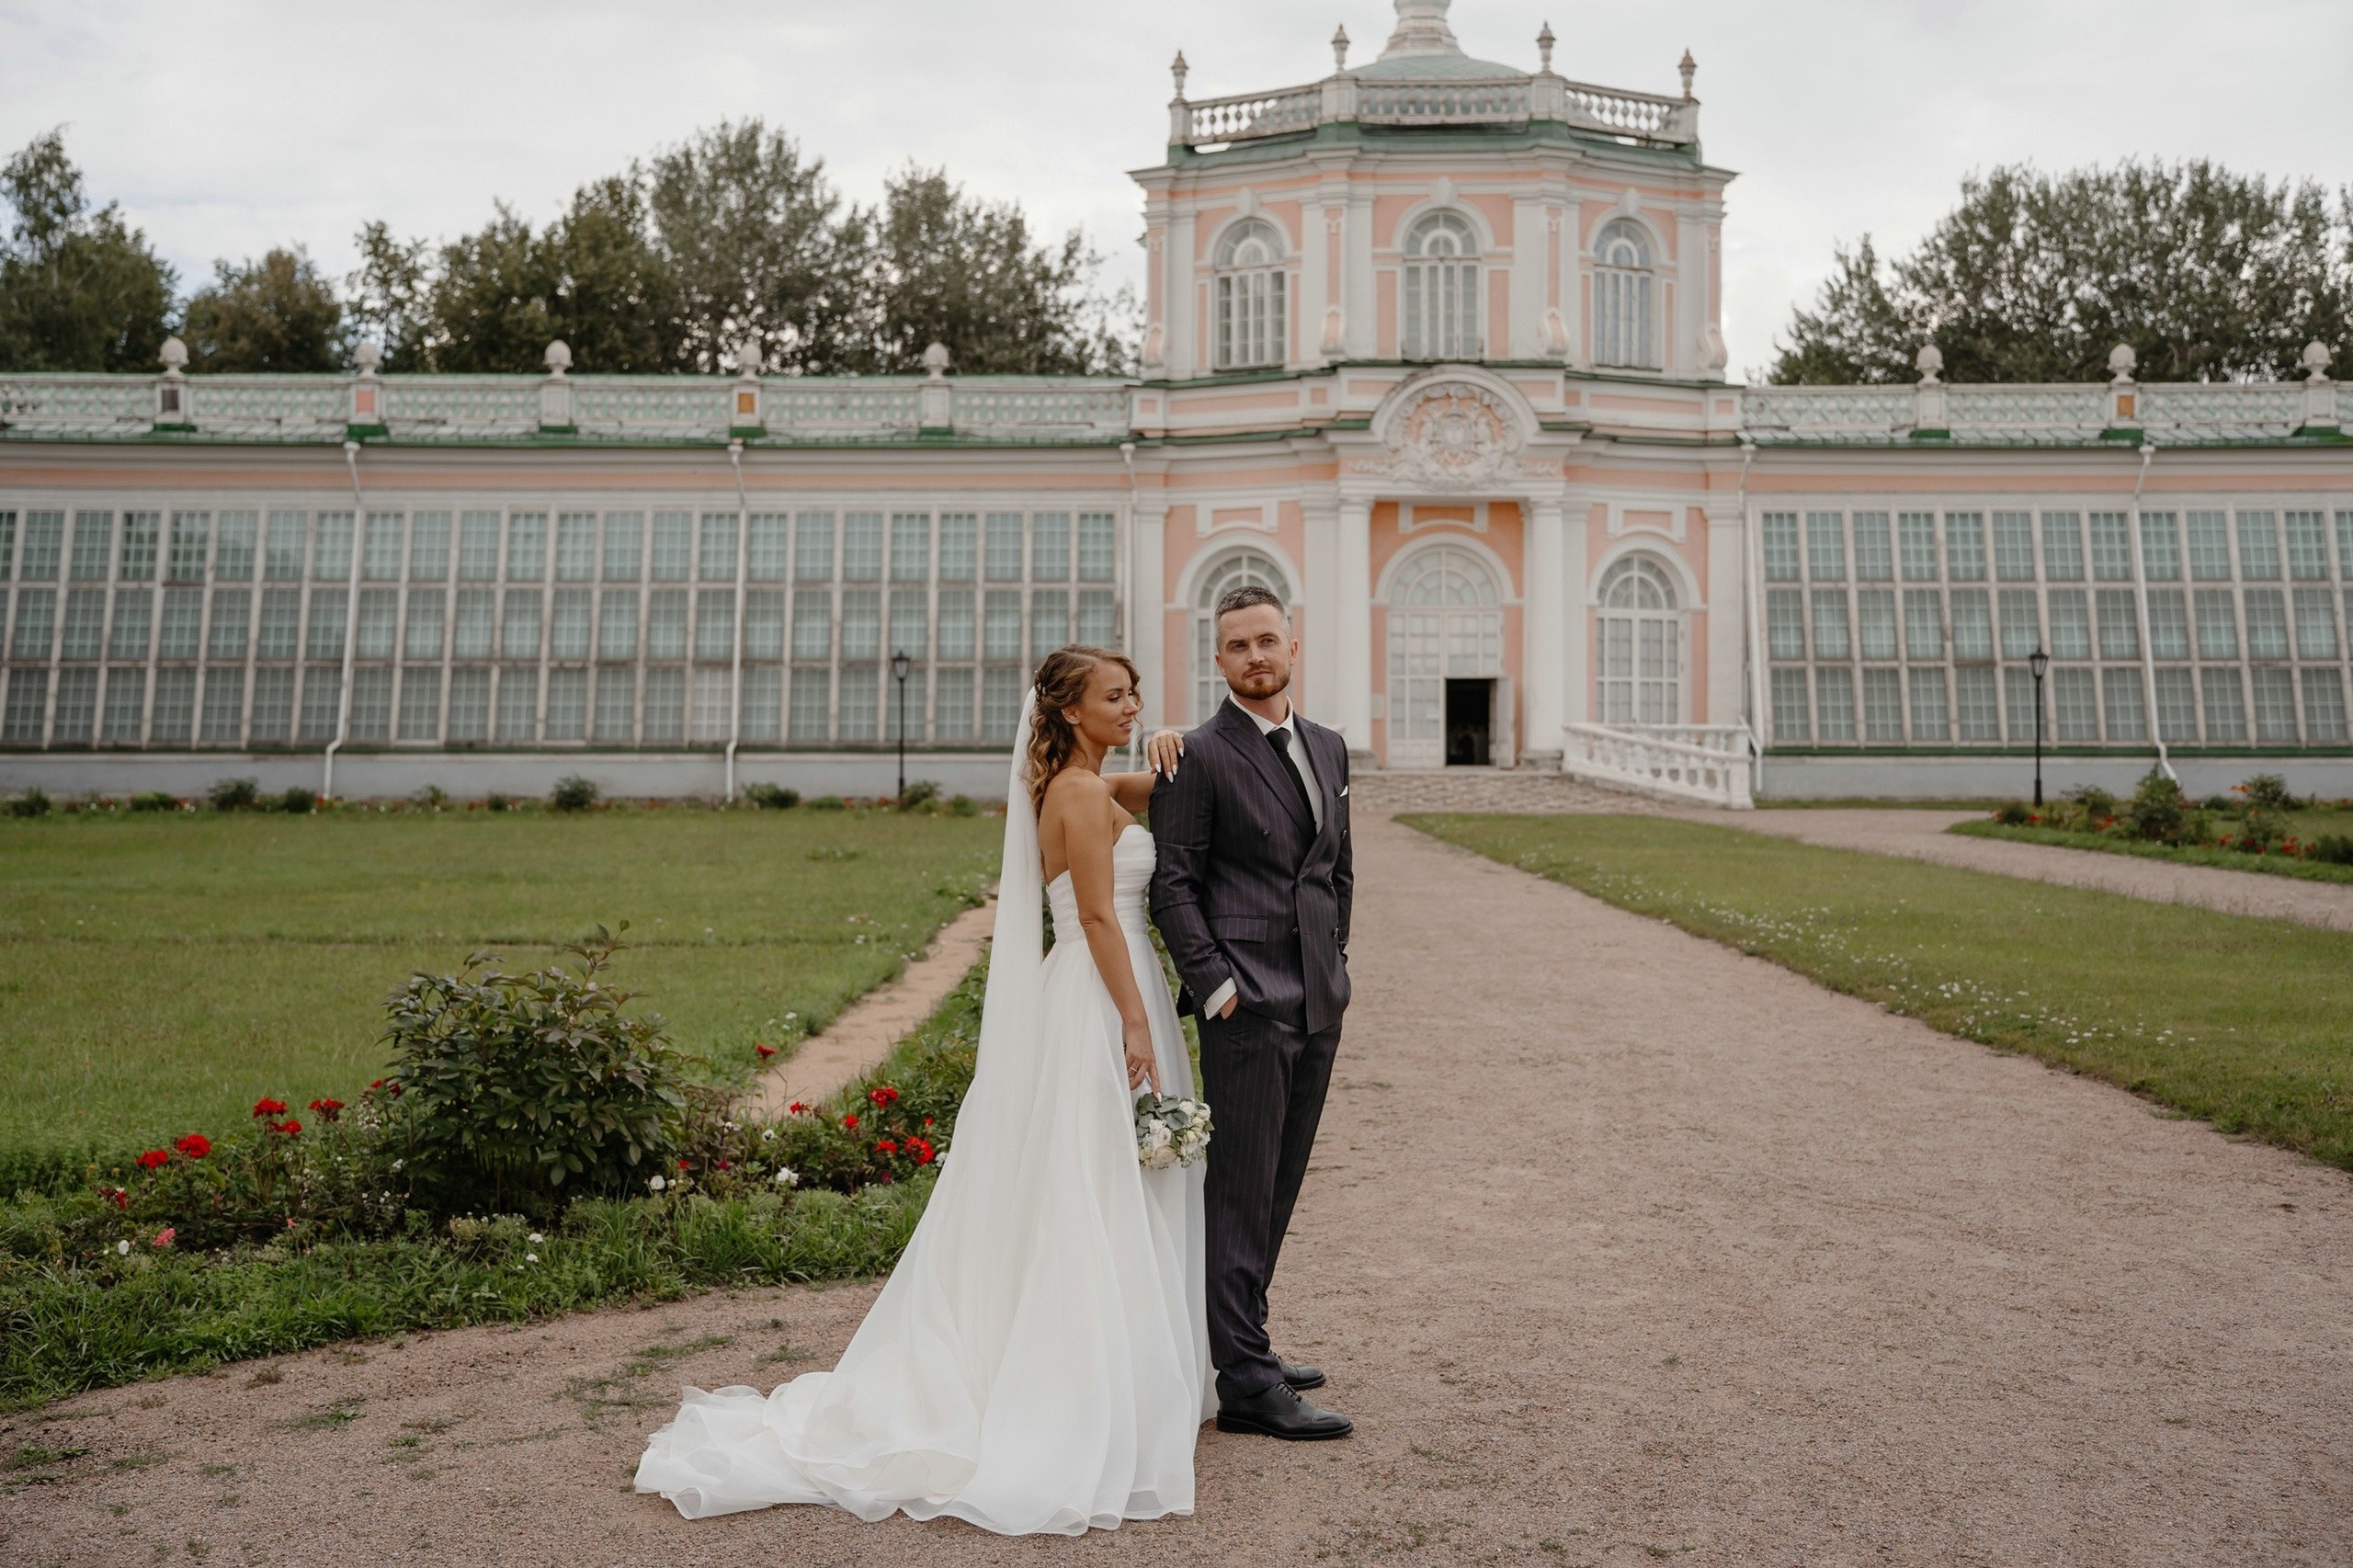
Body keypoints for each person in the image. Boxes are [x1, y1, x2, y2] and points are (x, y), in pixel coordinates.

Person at [633, 645, 1210, 1535]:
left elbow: (1133, 792)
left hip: (1085, 987)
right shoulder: (1081, 794)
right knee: (1096, 1184)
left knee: (1084, 1179)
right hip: (1104, 990)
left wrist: (1166, 745)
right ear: (1066, 712)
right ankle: (1094, 1382)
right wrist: (1135, 1019)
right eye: (1115, 696)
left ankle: (1106, 1369)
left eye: (1135, 694)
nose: (1131, 705)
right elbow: (1098, 914)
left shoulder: (1071, 786)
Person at [1149, 583, 1355, 1441]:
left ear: (1293, 646)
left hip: (1316, 996)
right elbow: (1173, 884)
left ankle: (1243, 1341)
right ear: (1219, 659)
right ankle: (1243, 1382)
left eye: (1268, 641)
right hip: (1247, 1005)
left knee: (1279, 1182)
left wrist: (1336, 960)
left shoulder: (1330, 747)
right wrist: (1219, 986)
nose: (1256, 657)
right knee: (1239, 1189)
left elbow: (1336, 870)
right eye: (1238, 646)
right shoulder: (1193, 756)